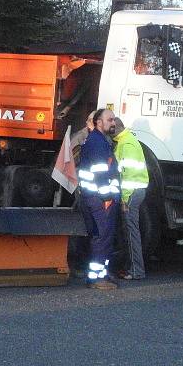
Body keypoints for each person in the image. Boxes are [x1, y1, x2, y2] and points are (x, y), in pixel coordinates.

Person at [77, 108, 120, 289]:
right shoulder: (97, 142)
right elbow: (101, 172)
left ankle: (100, 274)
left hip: (97, 197)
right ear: (99, 122)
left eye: (114, 120)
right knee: (101, 237)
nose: (113, 123)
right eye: (109, 120)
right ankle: (95, 278)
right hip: (99, 198)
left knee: (103, 237)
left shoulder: (100, 140)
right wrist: (107, 196)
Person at [113, 117, 149, 280]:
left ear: (115, 129)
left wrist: (124, 199)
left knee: (131, 232)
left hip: (131, 192)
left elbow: (128, 175)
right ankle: (132, 268)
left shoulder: (126, 144)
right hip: (136, 190)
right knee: (130, 231)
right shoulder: (128, 140)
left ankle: (136, 270)